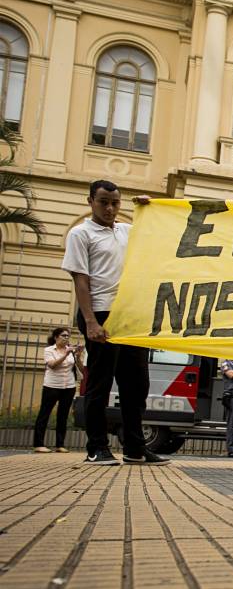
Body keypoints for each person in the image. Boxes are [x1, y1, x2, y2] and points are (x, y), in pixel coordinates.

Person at [62, 181, 168, 466]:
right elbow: (80, 281)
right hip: (100, 314)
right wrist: (90, 322)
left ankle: (135, 448)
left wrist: (150, 209)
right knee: (100, 383)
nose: (110, 208)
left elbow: (157, 234)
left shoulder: (126, 230)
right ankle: (97, 447)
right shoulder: (80, 234)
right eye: (103, 202)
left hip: (129, 316)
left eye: (115, 203)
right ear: (90, 201)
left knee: (136, 384)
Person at [34, 327, 83, 453]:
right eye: (63, 335)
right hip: (52, 386)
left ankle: (60, 445)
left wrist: (77, 356)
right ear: (56, 337)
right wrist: (65, 354)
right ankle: (38, 444)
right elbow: (52, 365)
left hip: (69, 386)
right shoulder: (49, 350)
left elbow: (82, 369)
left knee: (63, 416)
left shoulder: (70, 351)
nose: (66, 338)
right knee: (44, 414)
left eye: (68, 336)